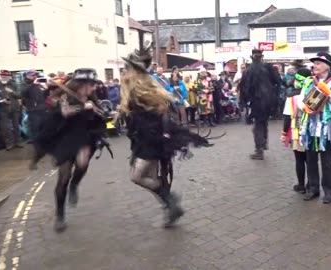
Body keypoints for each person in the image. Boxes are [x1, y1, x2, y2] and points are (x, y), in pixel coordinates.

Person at [120, 47, 213, 228]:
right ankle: (170, 208)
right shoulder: (136, 87)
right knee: (153, 178)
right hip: (145, 138)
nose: (125, 71)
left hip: (151, 139)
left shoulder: (144, 87)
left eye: (128, 68)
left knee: (137, 176)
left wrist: (162, 133)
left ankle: (171, 201)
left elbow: (162, 109)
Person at [31, 68, 108, 232]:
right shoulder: (64, 96)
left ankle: (75, 185)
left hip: (83, 137)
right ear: (82, 84)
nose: (94, 88)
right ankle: (60, 215)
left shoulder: (90, 98)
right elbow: (64, 113)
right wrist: (82, 108)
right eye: (91, 85)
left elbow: (102, 115)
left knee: (82, 163)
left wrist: (96, 111)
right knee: (63, 178)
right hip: (65, 138)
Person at [297, 52, 331, 204]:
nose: (315, 66)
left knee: (326, 161)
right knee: (310, 158)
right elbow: (300, 101)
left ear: (327, 66)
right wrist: (305, 108)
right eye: (314, 63)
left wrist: (329, 93)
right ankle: (313, 189)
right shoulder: (308, 81)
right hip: (311, 127)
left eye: (318, 63)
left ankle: (329, 191)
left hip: (327, 129)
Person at [240, 49, 281, 160]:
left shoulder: (248, 71)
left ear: (252, 57)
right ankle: (263, 143)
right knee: (263, 122)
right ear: (261, 56)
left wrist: (244, 103)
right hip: (269, 100)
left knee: (258, 125)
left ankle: (259, 150)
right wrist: (274, 96)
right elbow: (278, 82)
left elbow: (245, 89)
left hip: (257, 101)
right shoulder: (268, 67)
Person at [281, 67, 311, 194]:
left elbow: (287, 117)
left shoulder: (291, 97)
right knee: (310, 159)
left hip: (297, 132)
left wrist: (284, 133)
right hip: (311, 131)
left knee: (299, 159)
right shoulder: (313, 94)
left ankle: (301, 185)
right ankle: (311, 184)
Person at [0, 70, 22, 150]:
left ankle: (17, 142)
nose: (4, 76)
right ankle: (9, 144)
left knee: (16, 126)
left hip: (14, 108)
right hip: (3, 109)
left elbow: (19, 95)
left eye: (5, 75)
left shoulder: (14, 84)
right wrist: (2, 100)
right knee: (6, 127)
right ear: (0, 76)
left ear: (9, 76)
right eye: (2, 75)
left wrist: (12, 92)